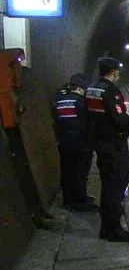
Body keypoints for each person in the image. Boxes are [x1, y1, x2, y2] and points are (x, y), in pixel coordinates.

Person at [86, 56, 129, 242]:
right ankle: (114, 230)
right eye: (118, 71)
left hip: (100, 145)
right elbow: (119, 118)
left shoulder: (91, 90)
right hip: (114, 146)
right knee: (116, 188)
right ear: (114, 72)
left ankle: (106, 228)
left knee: (107, 187)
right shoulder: (112, 92)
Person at [50, 73, 98, 212]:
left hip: (64, 142)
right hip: (81, 144)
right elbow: (88, 124)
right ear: (81, 88)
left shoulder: (59, 101)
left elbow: (56, 121)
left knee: (66, 172)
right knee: (81, 173)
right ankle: (80, 201)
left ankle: (67, 199)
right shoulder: (82, 102)